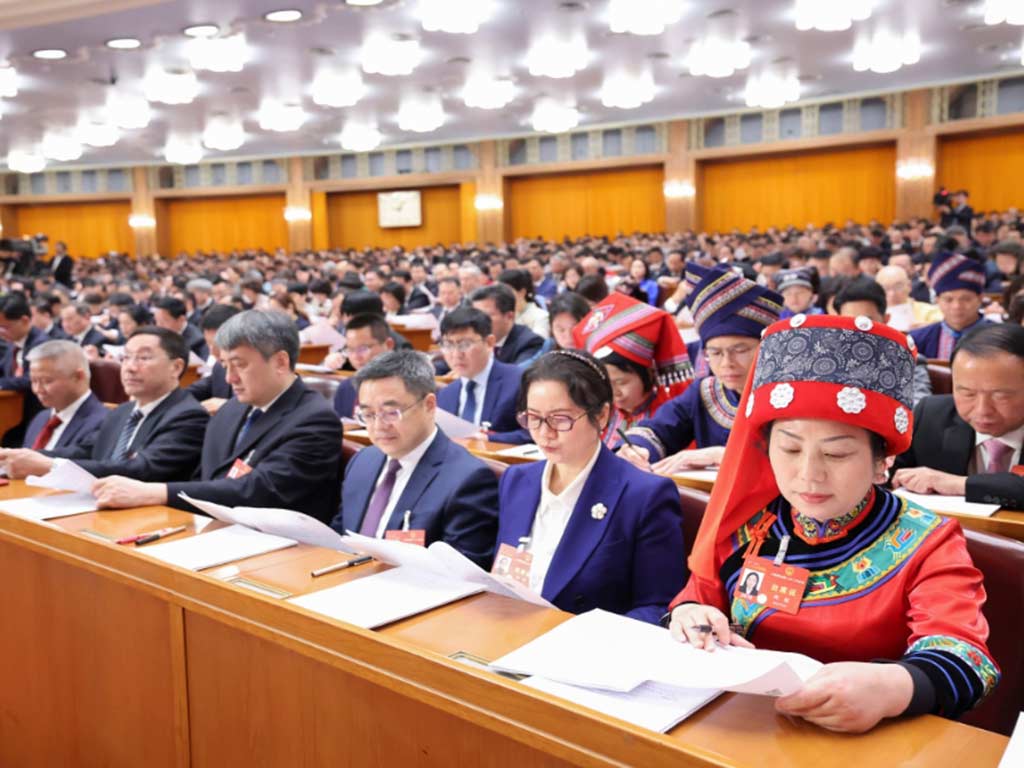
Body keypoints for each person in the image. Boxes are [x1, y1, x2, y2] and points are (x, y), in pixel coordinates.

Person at [668, 314, 997, 733]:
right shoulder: (749, 522)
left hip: (865, 737)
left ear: (882, 461)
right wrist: (692, 615)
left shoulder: (926, 541)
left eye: (837, 454)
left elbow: (966, 658)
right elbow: (698, 597)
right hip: (739, 726)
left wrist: (894, 685)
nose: (809, 475)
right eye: (790, 450)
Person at [92, 311, 343, 524]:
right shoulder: (230, 410)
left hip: (282, 547)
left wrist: (156, 492)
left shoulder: (315, 420)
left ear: (280, 362)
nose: (229, 378)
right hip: (215, 531)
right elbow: (203, 479)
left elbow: (258, 490)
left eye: (240, 365)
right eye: (224, 366)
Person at [494, 350, 686, 624]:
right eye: (534, 418)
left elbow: (658, 606)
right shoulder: (516, 480)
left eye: (560, 419)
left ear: (601, 415)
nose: (545, 433)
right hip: (509, 628)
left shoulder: (643, 495)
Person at [332, 350, 499, 567]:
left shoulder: (467, 479)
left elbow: (463, 572)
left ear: (429, 405)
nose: (378, 426)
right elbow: (340, 539)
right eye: (368, 415)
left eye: (391, 413)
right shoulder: (362, 461)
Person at [620, 263, 782, 474]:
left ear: (765, 348)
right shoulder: (705, 392)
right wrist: (637, 448)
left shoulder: (787, 395)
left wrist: (720, 455)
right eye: (715, 353)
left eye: (740, 350)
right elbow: (660, 428)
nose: (727, 363)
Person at [0, 327, 208, 480]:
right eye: (126, 357)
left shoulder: (188, 415)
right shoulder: (122, 412)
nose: (130, 367)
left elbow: (140, 469)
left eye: (143, 358)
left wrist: (51, 466)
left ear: (176, 367)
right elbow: (85, 451)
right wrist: (22, 457)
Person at [893, 324, 1024, 508]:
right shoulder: (930, 415)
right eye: (968, 393)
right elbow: (884, 474)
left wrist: (956, 484)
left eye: (1000, 395)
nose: (982, 410)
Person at [572, 292, 693, 448]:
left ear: (648, 373)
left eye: (621, 382)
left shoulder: (670, 416)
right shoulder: (600, 413)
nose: (614, 393)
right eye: (606, 385)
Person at [832, 279, 933, 406]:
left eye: (865, 323)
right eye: (849, 322)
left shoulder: (907, 360)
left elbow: (920, 406)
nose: (857, 330)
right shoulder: (826, 359)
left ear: (886, 320)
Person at [435, 308, 527, 443]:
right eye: (448, 345)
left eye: (465, 344)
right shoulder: (445, 395)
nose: (456, 354)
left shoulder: (519, 381)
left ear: (489, 343)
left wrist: (490, 438)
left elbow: (535, 434)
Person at [19, 341, 106, 451]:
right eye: (33, 381)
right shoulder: (40, 418)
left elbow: (77, 458)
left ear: (78, 377)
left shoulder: (102, 422)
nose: (37, 390)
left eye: (47, 381)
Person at [910, 252, 992, 360]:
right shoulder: (917, 340)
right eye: (948, 299)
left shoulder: (1003, 338)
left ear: (980, 298)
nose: (957, 306)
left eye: (966, 299)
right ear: (937, 300)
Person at [0, 292, 49, 445]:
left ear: (24, 320)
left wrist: (1, 383)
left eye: (4, 327)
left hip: (32, 414)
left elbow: (30, 379)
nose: (1, 332)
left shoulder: (41, 344)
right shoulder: (13, 342)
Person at [332, 314, 394, 419]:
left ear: (388, 345)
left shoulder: (406, 386)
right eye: (350, 349)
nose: (356, 357)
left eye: (363, 348)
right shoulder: (346, 387)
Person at [470, 284, 545, 366]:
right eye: (474, 315)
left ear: (509, 316)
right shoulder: (472, 340)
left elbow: (517, 373)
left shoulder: (529, 342)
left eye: (485, 316)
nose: (477, 321)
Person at [186, 303, 239, 408]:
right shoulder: (219, 367)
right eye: (208, 345)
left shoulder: (257, 369)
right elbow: (196, 390)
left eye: (217, 346)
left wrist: (226, 406)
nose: (212, 353)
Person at [874, 265, 942, 332]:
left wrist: (928, 328)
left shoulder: (928, 311)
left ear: (909, 286)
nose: (892, 294)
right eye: (885, 288)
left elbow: (943, 326)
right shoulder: (873, 314)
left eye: (898, 286)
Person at [498, 269, 549, 339]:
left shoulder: (541, 317)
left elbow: (538, 342)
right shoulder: (501, 317)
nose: (501, 295)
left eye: (506, 291)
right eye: (499, 291)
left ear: (522, 292)